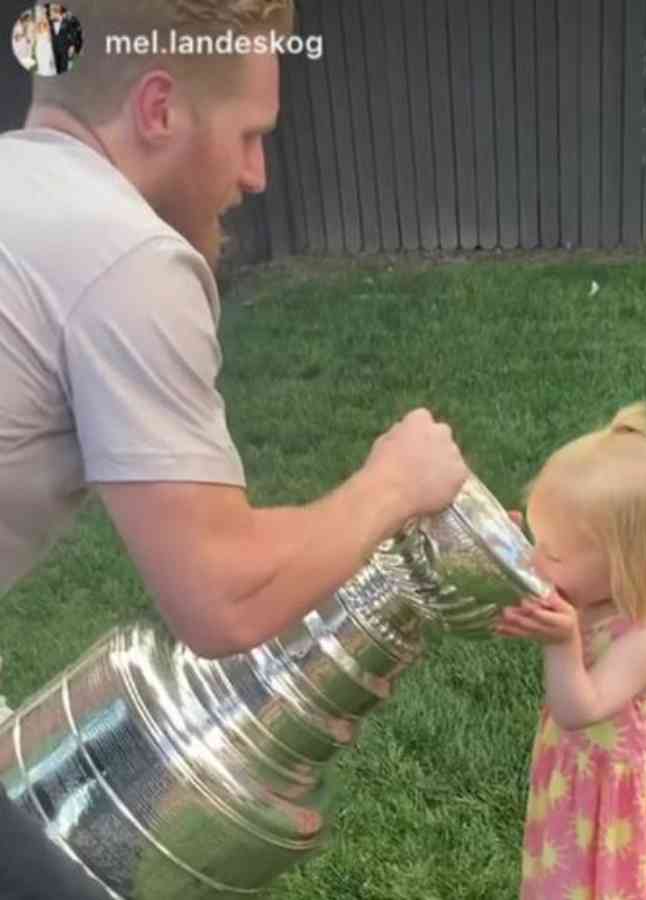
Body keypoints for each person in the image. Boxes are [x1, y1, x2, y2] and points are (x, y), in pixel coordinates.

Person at [0, 2, 467, 896]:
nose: (256, 174)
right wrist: (394, 483)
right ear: (159, 108)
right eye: (251, 135)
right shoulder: (123, 252)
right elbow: (221, 595)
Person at [495, 403, 646, 900]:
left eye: (553, 551)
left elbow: (579, 709)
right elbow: (521, 586)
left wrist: (562, 643)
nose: (534, 561)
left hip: (618, 816)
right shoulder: (586, 591)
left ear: (624, 563)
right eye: (534, 541)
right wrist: (496, 550)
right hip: (578, 790)